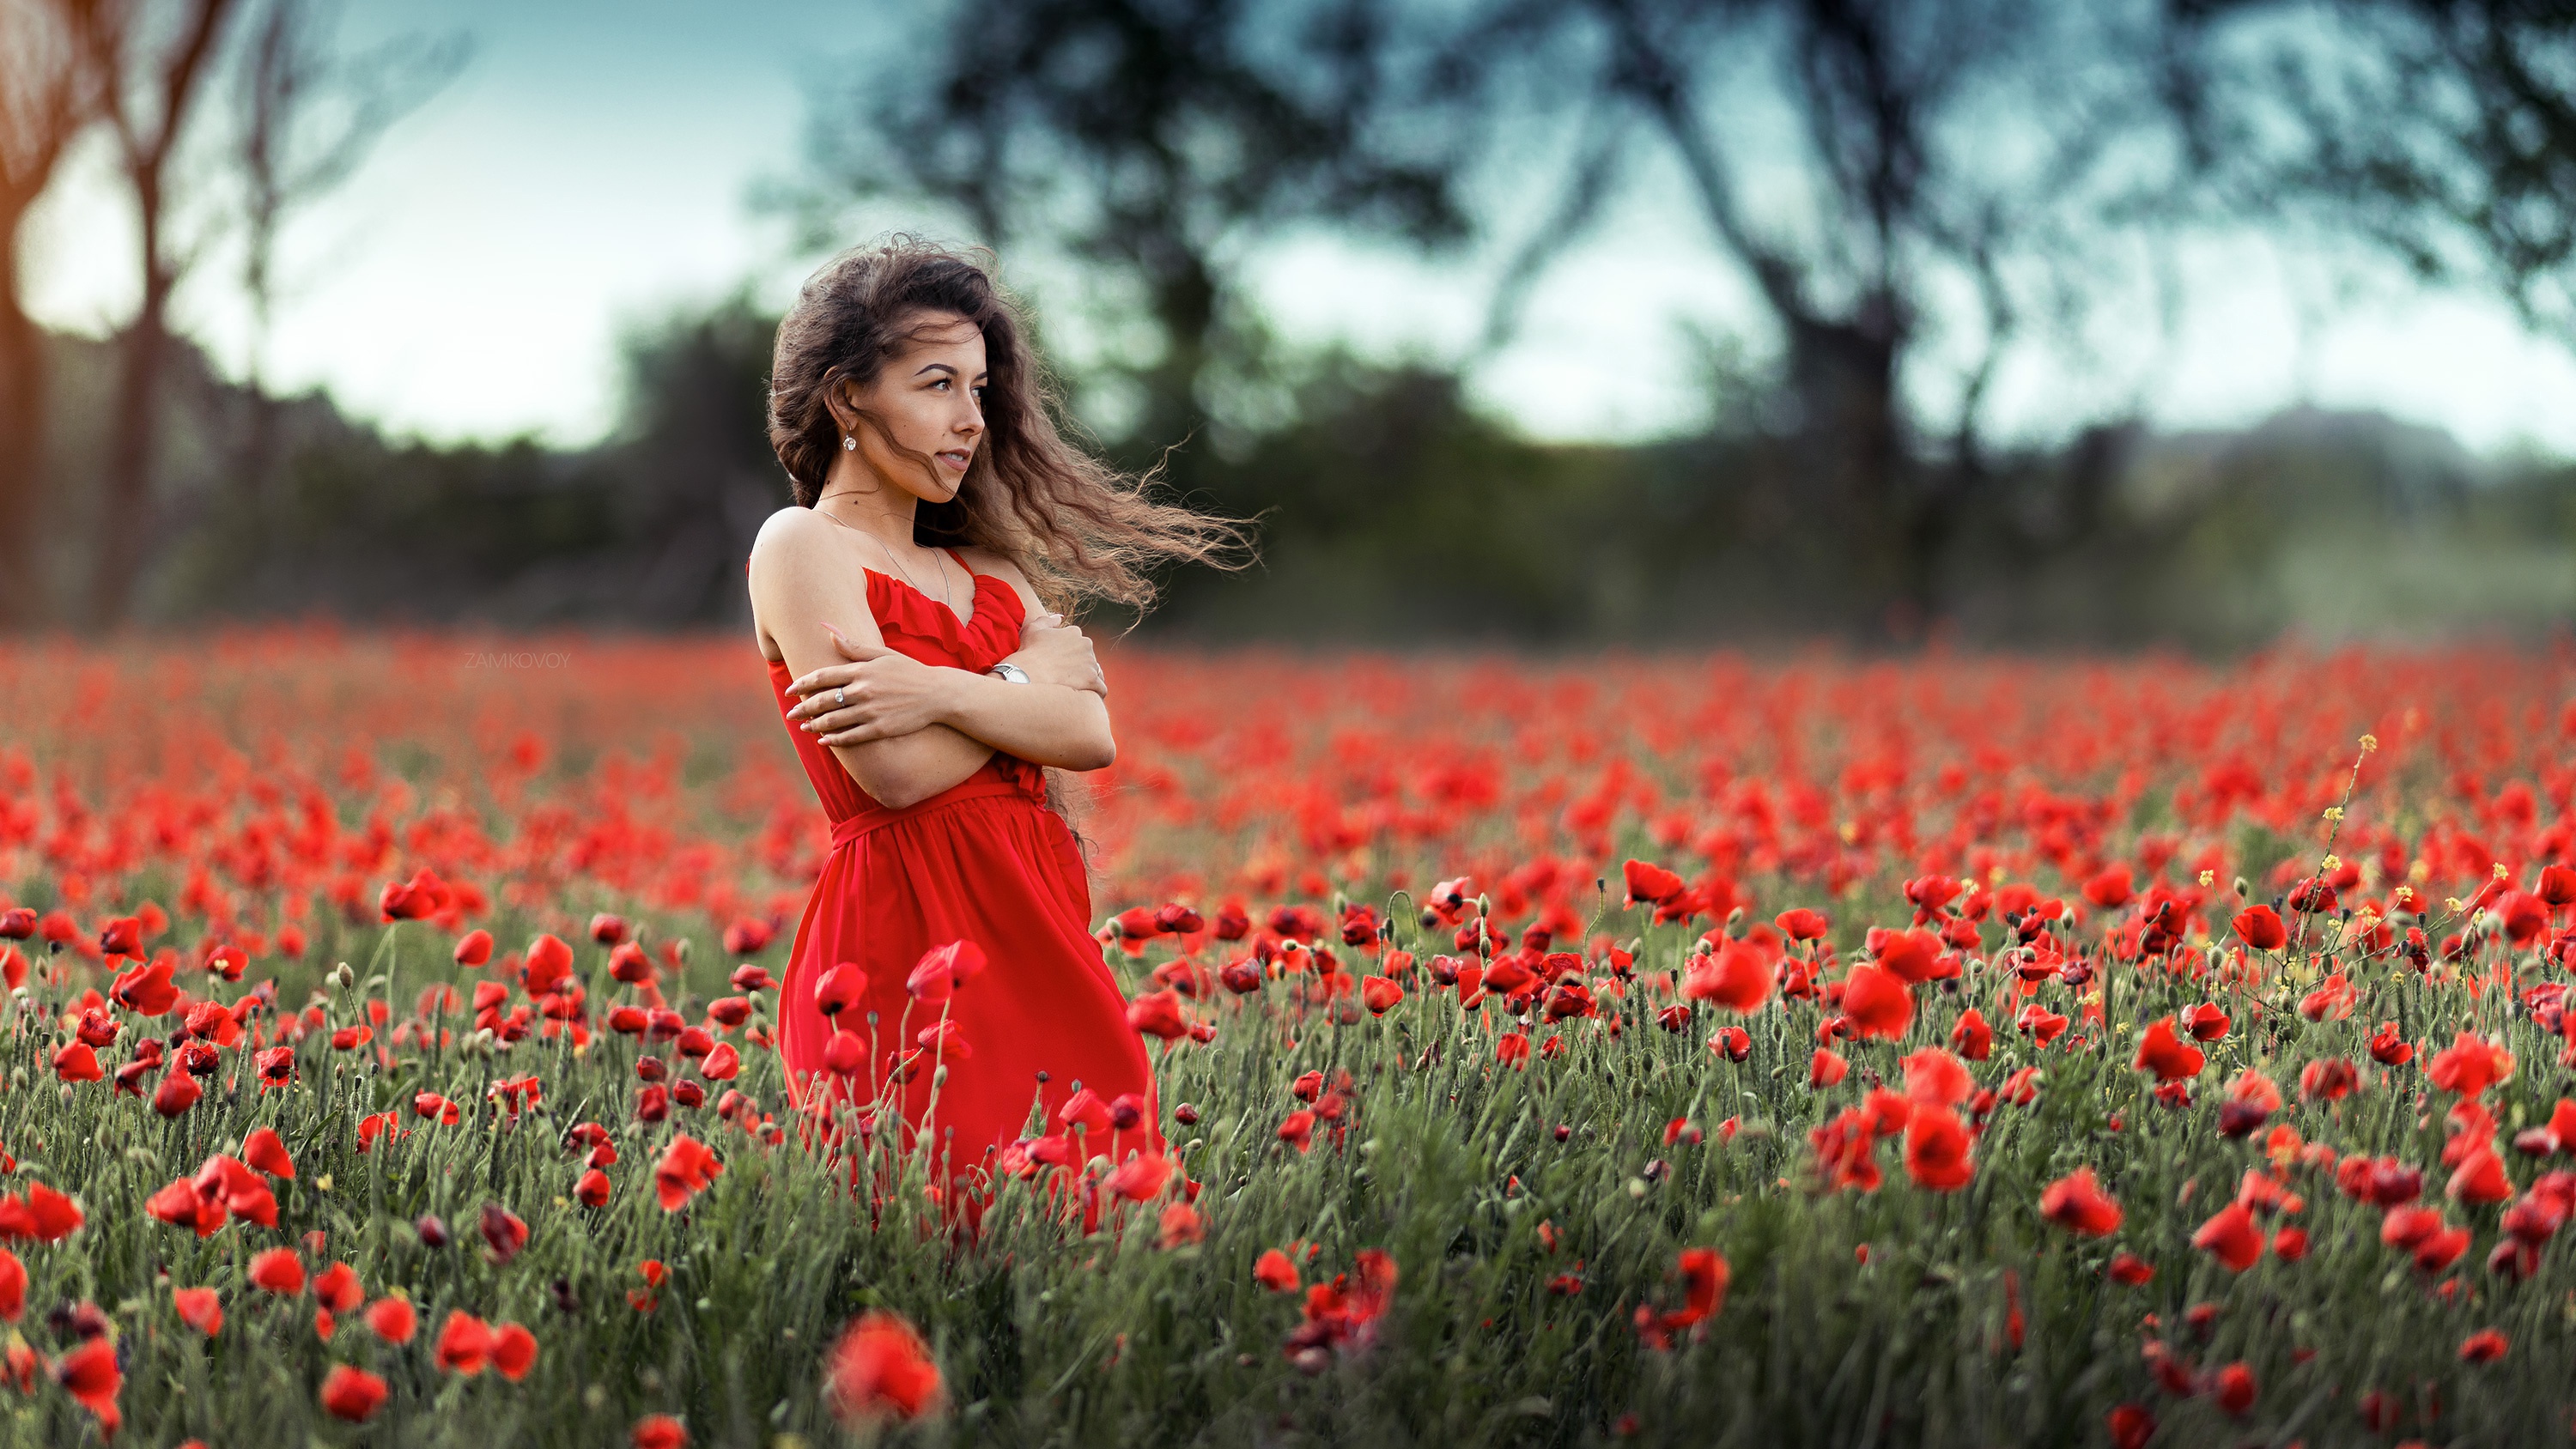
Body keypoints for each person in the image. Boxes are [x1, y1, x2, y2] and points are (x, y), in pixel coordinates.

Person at [744, 235, 1246, 1216]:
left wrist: (938, 689)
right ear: (848, 399)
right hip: (902, 946)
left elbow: (1087, 734)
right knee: (948, 1239)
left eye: (980, 388)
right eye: (937, 384)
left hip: (1042, 932)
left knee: (1103, 1226)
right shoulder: (801, 544)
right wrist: (1015, 687)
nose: (970, 419)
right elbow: (893, 773)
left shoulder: (995, 574)